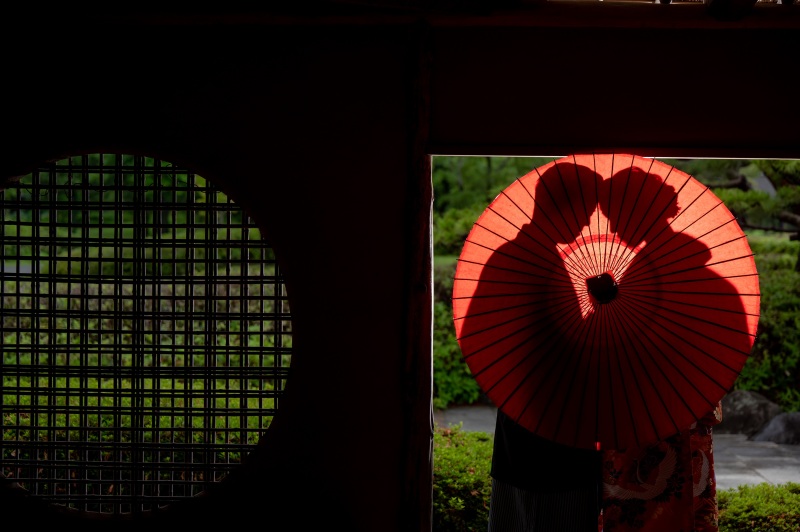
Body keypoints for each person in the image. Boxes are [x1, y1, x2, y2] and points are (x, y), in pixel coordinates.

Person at [596, 164, 748, 532]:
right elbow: (734, 345)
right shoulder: (705, 276)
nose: (613, 228)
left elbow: (616, 351)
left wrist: (604, 312)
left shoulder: (644, 277)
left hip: (642, 423)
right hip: (687, 417)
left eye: (616, 217)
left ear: (640, 214)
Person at [457, 159, 604, 531]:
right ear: (562, 207)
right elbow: (570, 348)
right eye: (585, 211)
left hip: (521, 423)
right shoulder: (541, 264)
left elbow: (479, 334)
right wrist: (598, 314)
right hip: (555, 433)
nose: (587, 222)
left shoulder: (511, 256)